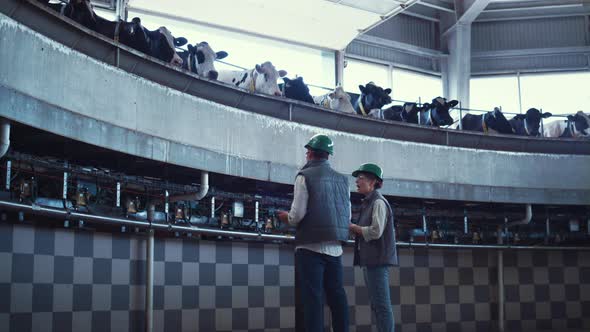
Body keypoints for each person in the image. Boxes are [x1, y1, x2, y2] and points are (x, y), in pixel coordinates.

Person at [278, 134, 350, 332]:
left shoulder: (304, 176)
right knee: (337, 297)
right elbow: (347, 214)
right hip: (335, 248)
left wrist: (286, 217)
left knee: (312, 300)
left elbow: (297, 215)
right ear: (328, 155)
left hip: (309, 247)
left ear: (309, 153)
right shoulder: (343, 181)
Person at [349, 163, 398, 332]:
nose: (356, 181)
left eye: (360, 177)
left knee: (382, 306)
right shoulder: (368, 203)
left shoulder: (378, 202)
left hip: (377, 261)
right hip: (371, 261)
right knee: (378, 306)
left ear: (373, 182)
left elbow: (376, 231)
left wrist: (354, 228)